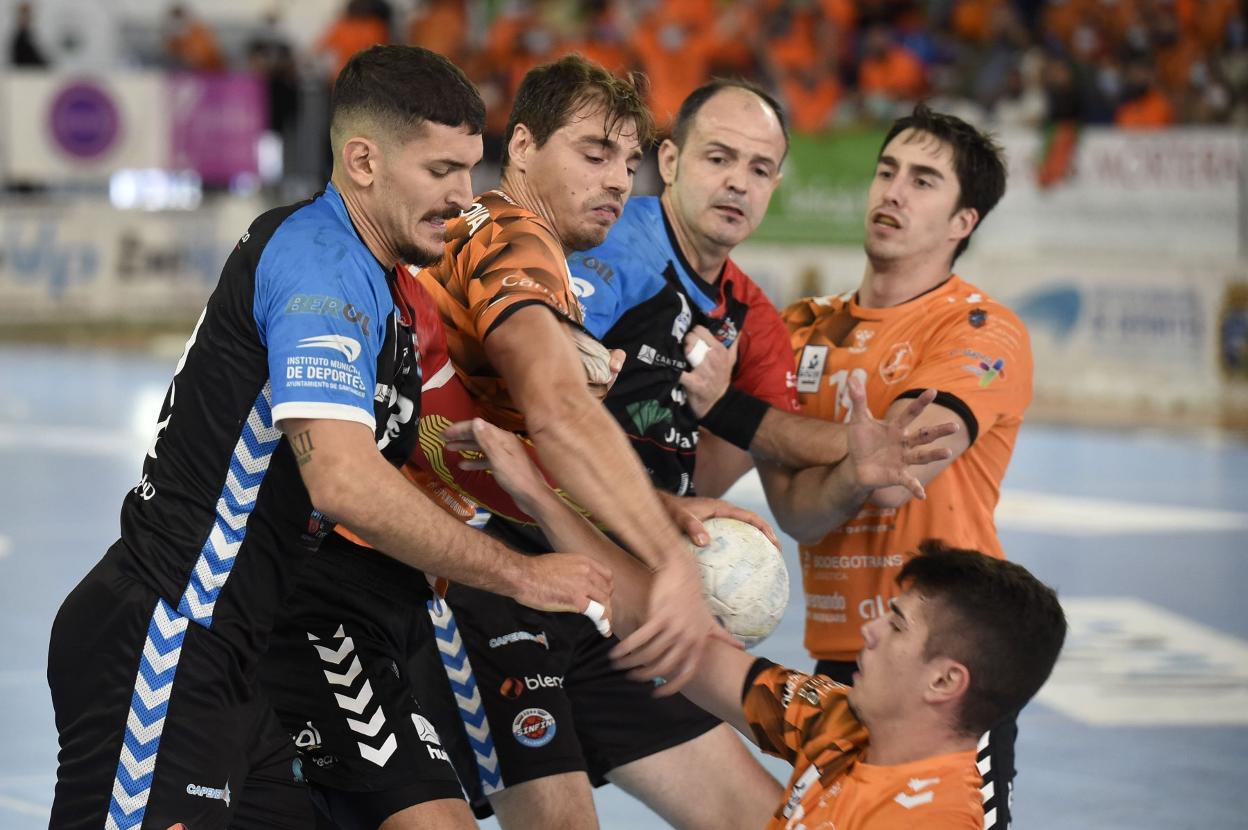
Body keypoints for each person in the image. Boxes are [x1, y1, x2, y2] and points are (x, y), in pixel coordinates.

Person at [46, 45, 610, 830]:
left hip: (238, 660)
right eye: (440, 170)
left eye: (469, 169)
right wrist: (522, 577)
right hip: (167, 638)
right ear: (363, 161)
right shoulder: (317, 260)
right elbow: (343, 484)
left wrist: (608, 490)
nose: (463, 197)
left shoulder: (396, 296)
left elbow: (441, 445)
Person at [263, 54, 774, 830]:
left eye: (628, 163)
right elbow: (557, 413)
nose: (616, 182)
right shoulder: (510, 233)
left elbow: (520, 452)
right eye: (594, 154)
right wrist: (667, 561)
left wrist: (652, 509)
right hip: (393, 579)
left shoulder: (512, 252)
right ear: (525, 148)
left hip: (439, 573)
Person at [442, 408, 1067, 830]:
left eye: (897, 626)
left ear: (944, 682)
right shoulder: (838, 721)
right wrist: (535, 497)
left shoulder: (927, 817)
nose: (871, 629)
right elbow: (687, 645)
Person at [776, 103, 1029, 827]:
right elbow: (797, 510)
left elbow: (909, 449)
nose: (892, 191)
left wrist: (817, 448)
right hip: (840, 663)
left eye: (923, 181)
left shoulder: (982, 329)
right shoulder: (801, 330)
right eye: (887, 171)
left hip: (941, 669)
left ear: (962, 223)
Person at [568, 78, 955, 510]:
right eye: (719, 159)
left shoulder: (755, 319)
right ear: (670, 161)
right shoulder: (610, 247)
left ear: (774, 185)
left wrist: (855, 445)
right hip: (550, 519)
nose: (739, 183)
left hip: (642, 534)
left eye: (760, 169)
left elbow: (767, 439)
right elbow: (535, 394)